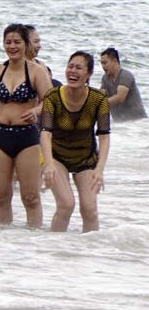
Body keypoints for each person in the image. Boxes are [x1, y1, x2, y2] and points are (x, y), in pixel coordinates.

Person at [0, 24, 53, 228]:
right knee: (1, 196)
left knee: (31, 197)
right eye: (8, 42)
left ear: (25, 44)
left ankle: (32, 240)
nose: (12, 46)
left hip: (27, 138)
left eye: (17, 42)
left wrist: (36, 110)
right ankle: (3, 243)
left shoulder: (37, 71)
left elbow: (51, 101)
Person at [40, 51, 111, 232]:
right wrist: (48, 165)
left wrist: (99, 169)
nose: (73, 71)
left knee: (90, 210)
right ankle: (53, 250)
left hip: (85, 158)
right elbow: (45, 133)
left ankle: (90, 253)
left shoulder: (98, 99)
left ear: (88, 74)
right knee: (66, 205)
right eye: (70, 66)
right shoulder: (53, 97)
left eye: (79, 68)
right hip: (57, 157)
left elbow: (103, 136)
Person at [99, 47, 147, 122]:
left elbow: (120, 97)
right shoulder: (105, 78)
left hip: (138, 123)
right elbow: (100, 97)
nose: (103, 66)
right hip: (121, 127)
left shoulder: (125, 75)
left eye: (105, 63)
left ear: (115, 61)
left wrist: (99, 104)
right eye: (101, 63)